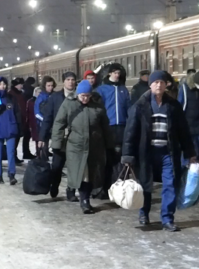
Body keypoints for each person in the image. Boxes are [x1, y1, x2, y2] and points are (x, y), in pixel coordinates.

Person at [122, 71, 196, 232]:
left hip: (168, 152)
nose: (159, 85)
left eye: (162, 82)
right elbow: (131, 132)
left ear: (166, 85)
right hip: (146, 153)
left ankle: (167, 219)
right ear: (150, 84)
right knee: (146, 185)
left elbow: (183, 131)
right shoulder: (140, 105)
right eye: (156, 82)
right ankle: (144, 213)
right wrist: (128, 155)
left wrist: (190, 153)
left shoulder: (173, 106)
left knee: (170, 184)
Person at [51, 80, 115, 214]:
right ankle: (81, 198)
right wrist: (56, 144)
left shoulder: (97, 106)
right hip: (75, 146)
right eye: (82, 96)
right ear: (77, 94)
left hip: (94, 146)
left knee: (90, 174)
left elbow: (105, 127)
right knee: (80, 173)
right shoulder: (69, 104)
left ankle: (79, 194)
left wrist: (110, 145)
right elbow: (59, 123)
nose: (85, 98)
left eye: (87, 96)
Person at [38, 72, 78, 201]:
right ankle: (54, 184)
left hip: (75, 137)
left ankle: (70, 191)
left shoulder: (79, 96)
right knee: (57, 165)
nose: (71, 82)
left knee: (73, 166)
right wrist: (42, 137)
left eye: (73, 80)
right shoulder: (55, 97)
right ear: (63, 82)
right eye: (68, 79)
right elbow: (48, 118)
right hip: (59, 137)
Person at [95, 63, 130, 193]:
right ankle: (105, 185)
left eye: (118, 73)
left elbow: (128, 107)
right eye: (115, 73)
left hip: (121, 126)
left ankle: (118, 182)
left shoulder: (123, 89)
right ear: (109, 73)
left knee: (120, 157)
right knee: (107, 157)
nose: (117, 75)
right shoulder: (102, 89)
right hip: (107, 127)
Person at [8, 78, 29, 162]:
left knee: (17, 139)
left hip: (21, 120)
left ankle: (14, 156)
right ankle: (13, 157)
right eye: (20, 84)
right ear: (15, 85)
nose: (22, 86)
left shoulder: (20, 94)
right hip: (15, 120)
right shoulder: (11, 94)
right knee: (14, 140)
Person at [22, 77, 36, 158]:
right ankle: (26, 153)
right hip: (27, 116)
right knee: (27, 136)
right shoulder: (29, 91)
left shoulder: (22, 91)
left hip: (25, 116)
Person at [26, 87, 41, 154]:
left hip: (41, 122)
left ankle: (42, 154)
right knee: (37, 139)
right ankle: (38, 153)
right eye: (38, 92)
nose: (39, 94)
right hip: (33, 122)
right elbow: (28, 113)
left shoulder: (43, 100)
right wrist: (28, 124)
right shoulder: (30, 101)